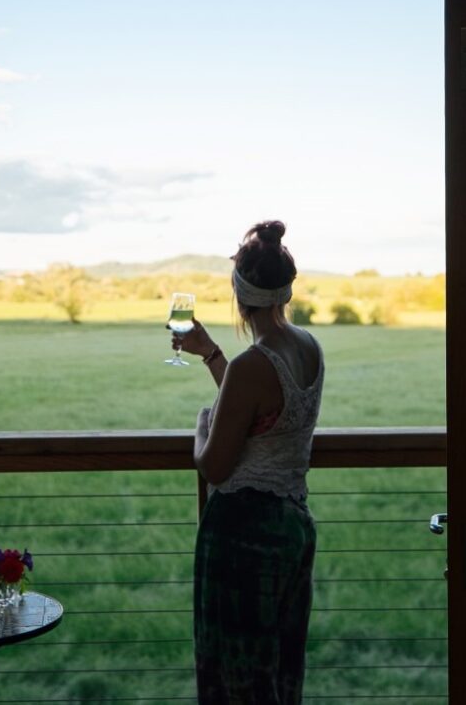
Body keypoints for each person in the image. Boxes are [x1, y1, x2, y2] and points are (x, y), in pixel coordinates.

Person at [170, 220, 323, 705]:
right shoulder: (307, 347)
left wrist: (202, 428)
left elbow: (214, 465)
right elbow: (261, 417)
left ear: (239, 295)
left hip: (242, 537)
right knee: (279, 670)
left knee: (236, 680)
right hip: (294, 526)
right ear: (284, 291)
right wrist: (213, 354)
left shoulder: (252, 366)